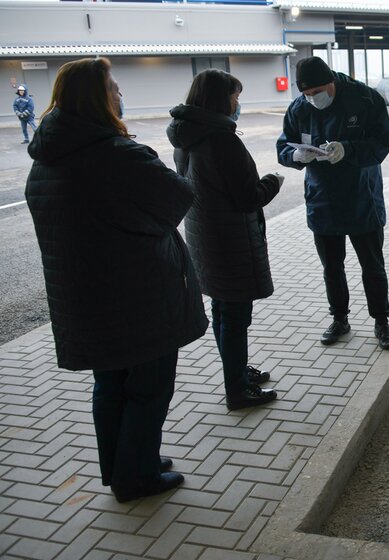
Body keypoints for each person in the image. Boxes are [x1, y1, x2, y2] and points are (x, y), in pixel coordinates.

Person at [25, 57, 208, 503]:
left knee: (109, 385)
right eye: (113, 87)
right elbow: (178, 197)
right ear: (97, 98)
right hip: (135, 294)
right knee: (148, 387)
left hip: (84, 296)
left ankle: (124, 465)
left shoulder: (48, 156)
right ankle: (136, 478)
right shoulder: (116, 153)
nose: (119, 94)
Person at [167, 69, 281, 410]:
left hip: (206, 238)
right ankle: (238, 389)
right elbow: (247, 198)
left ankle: (237, 372)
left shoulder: (187, 136)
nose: (237, 104)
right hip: (229, 241)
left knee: (223, 310)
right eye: (235, 97)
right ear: (220, 99)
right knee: (234, 317)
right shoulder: (222, 141)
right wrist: (272, 181)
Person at [277, 56, 389, 350]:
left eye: (317, 91)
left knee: (372, 266)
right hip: (323, 200)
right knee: (331, 267)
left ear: (331, 81)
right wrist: (295, 156)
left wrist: (348, 149)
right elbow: (283, 146)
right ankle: (340, 319)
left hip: (361, 197)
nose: (312, 98)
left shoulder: (364, 98)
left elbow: (382, 142)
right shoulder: (299, 108)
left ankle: (381, 321)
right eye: (306, 93)